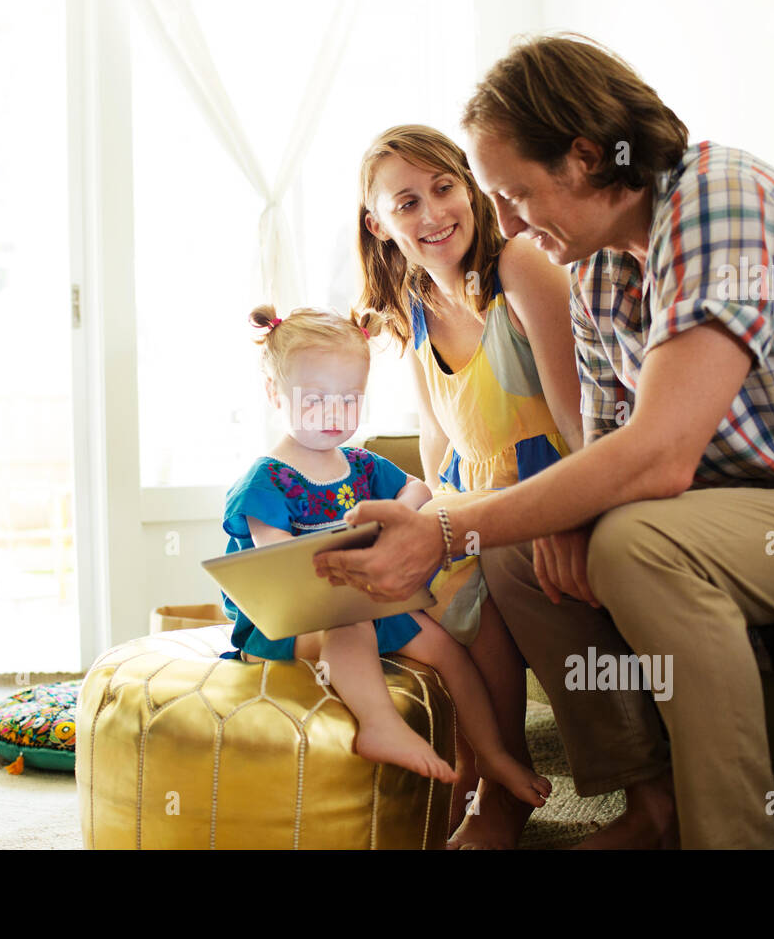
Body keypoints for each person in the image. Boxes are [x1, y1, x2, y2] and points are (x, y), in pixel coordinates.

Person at [317, 35, 774, 849]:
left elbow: (657, 454)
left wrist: (447, 528)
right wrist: (541, 517)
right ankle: (647, 804)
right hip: (746, 506)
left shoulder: (722, 202)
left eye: (515, 193)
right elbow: (603, 450)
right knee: (525, 551)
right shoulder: (598, 271)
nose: (507, 221)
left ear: (587, 158)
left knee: (633, 545)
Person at [218, 304, 552, 813]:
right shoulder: (267, 481)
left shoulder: (360, 464)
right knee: (347, 622)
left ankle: (491, 758)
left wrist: (393, 519)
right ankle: (379, 724)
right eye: (316, 400)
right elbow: (284, 575)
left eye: (349, 399)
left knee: (447, 650)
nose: (335, 414)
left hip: (368, 601)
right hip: (290, 622)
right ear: (274, 395)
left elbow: (418, 488)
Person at [355, 124, 589, 847]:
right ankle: (468, 760)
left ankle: (503, 780)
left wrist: (572, 513)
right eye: (406, 203)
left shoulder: (519, 267)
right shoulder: (415, 305)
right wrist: (411, 510)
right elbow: (437, 442)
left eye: (444, 188)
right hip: (472, 490)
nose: (432, 215)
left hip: (551, 481)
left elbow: (579, 416)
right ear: (379, 224)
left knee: (462, 565)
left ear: (470, 183)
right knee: (393, 563)